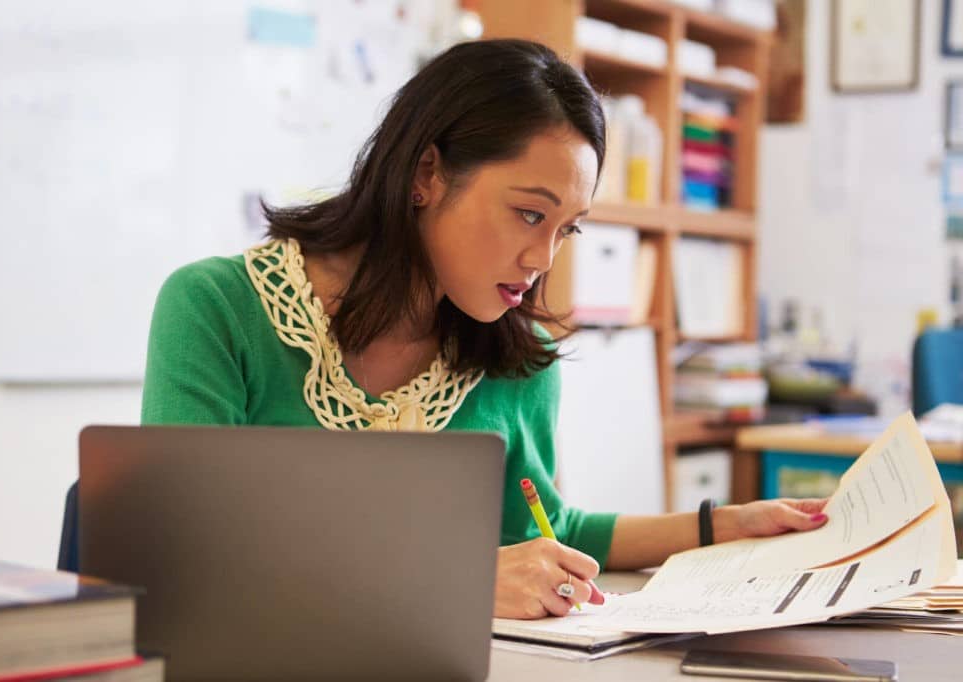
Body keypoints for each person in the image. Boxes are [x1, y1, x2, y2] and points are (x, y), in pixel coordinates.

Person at [141, 38, 828, 620]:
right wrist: (456, 580)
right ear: (426, 174)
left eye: (567, 229)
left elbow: (548, 530)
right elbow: (183, 548)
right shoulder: (217, 308)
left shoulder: (517, 361)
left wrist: (720, 527)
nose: (542, 260)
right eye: (530, 214)